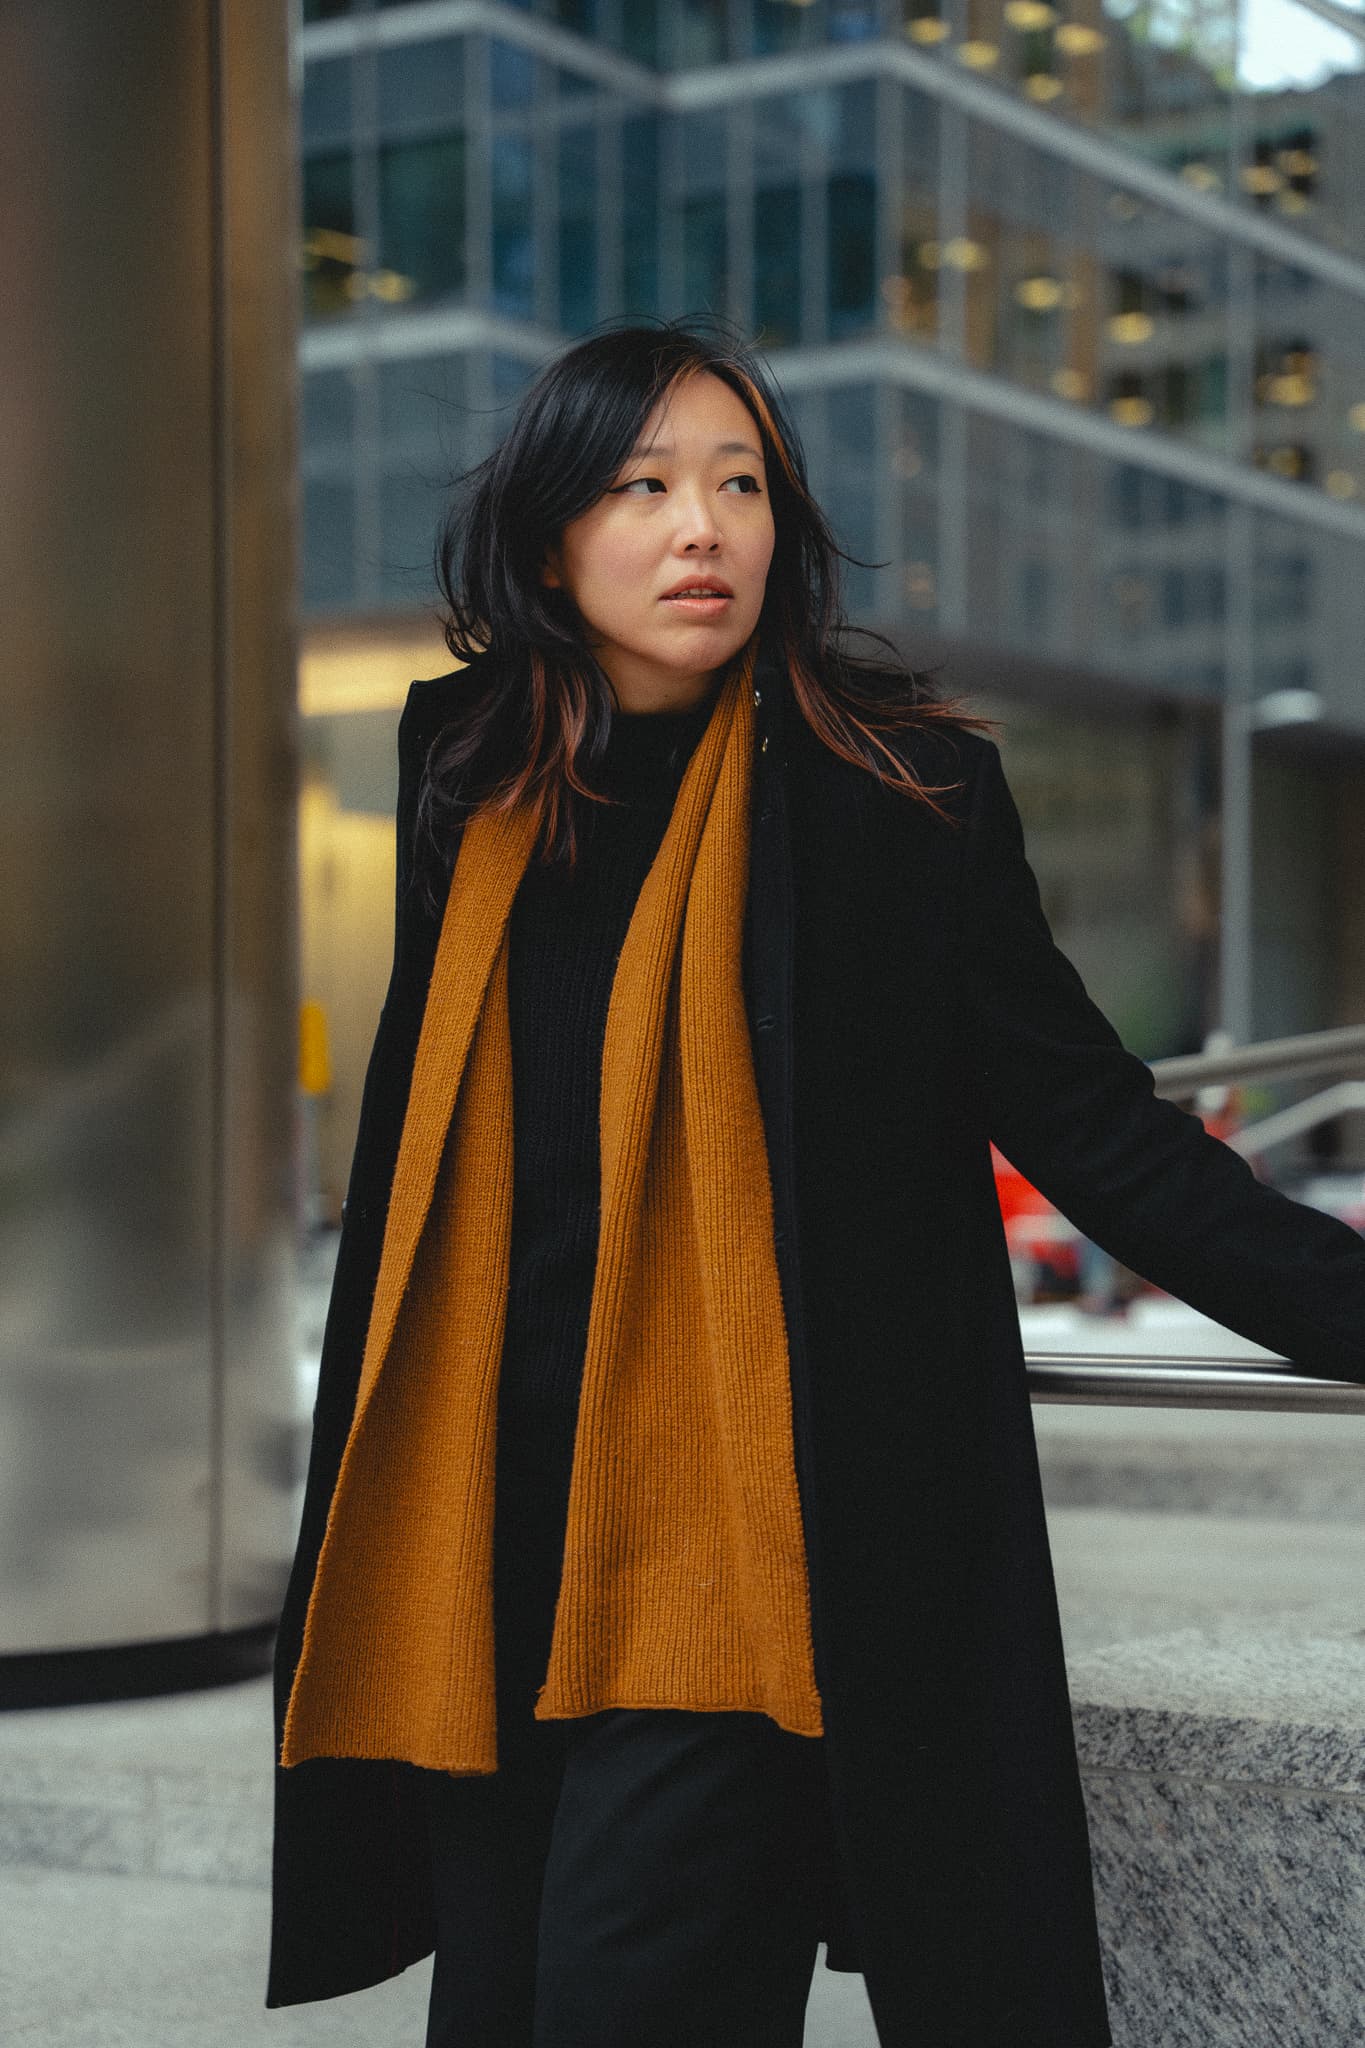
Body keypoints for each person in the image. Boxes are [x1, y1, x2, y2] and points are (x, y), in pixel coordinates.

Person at [266, 319, 1365, 2048]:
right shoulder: (465, 786)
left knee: (639, 2001)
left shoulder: (896, 802)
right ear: (551, 534)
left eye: (738, 483)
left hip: (740, 1559)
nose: (701, 527)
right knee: (498, 2009)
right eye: (642, 486)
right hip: (480, 1543)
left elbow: (1096, 1128)